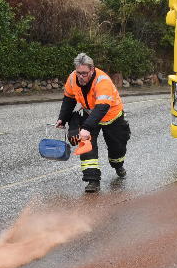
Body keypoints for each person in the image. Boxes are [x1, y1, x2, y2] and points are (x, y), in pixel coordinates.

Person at [56, 53, 131, 193]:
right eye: (78, 73)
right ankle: (92, 180)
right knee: (86, 144)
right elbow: (69, 99)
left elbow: (102, 107)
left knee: (117, 148)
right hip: (90, 114)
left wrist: (86, 127)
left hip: (111, 116)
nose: (81, 76)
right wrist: (62, 118)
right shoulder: (73, 78)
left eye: (84, 73)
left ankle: (118, 165)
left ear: (92, 70)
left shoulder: (102, 81)